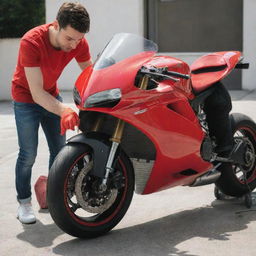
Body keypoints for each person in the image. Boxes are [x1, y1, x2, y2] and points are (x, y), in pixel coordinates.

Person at [12, 2, 92, 224]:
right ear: (57, 25)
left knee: (59, 153)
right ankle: (24, 203)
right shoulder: (32, 42)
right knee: (28, 155)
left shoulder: (78, 41)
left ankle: (54, 198)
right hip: (26, 99)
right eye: (69, 39)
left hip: (51, 94)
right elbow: (36, 93)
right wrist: (64, 109)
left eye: (78, 39)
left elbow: (90, 75)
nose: (74, 44)